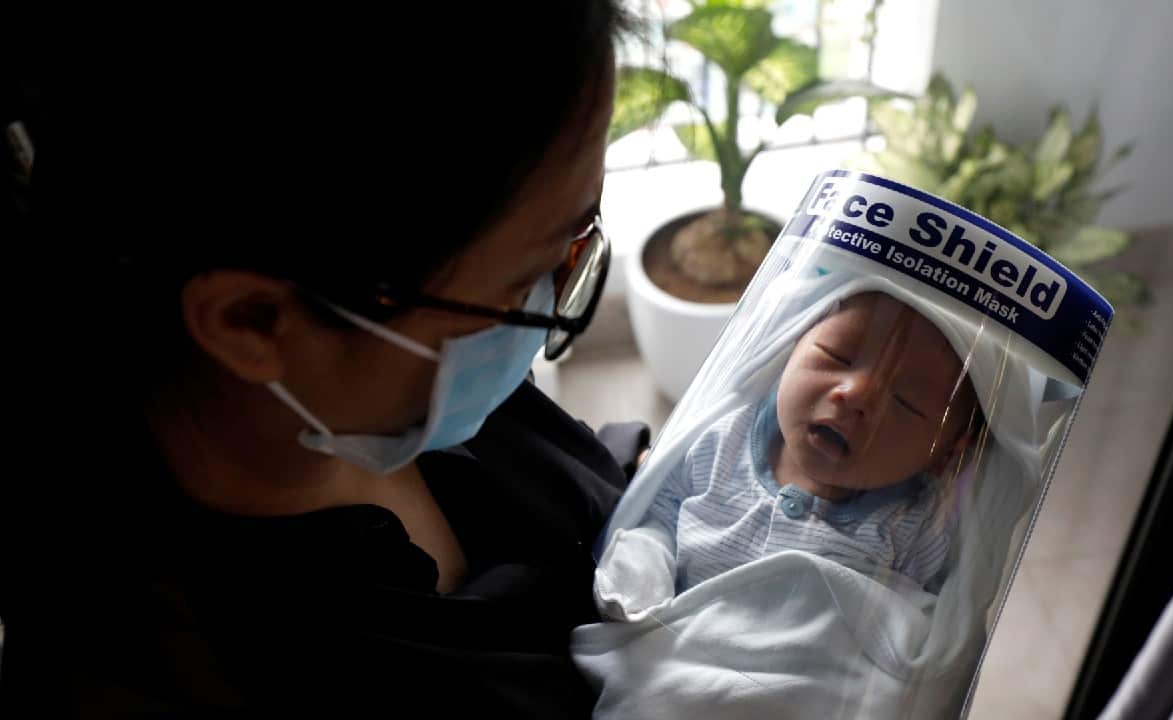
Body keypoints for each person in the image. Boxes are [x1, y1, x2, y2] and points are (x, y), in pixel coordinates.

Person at [0, 4, 642, 716]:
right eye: (530, 276)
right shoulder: (216, 665)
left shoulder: (386, 371)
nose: (556, 289)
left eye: (580, 241)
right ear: (252, 321)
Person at [595, 291, 982, 619]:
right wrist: (641, 572)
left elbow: (922, 626)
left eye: (905, 402)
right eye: (837, 356)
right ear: (791, 347)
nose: (854, 395)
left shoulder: (915, 522)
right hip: (670, 651)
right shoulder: (725, 436)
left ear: (945, 454)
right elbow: (662, 513)